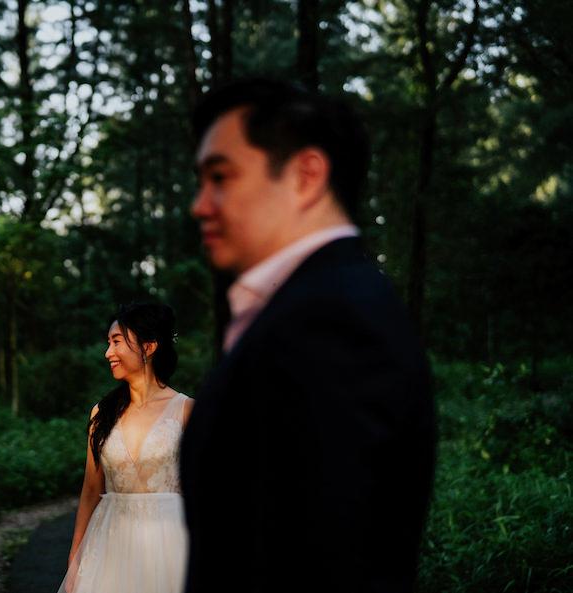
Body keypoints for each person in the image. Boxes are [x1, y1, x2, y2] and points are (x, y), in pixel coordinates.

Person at [179, 76, 437, 593]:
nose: (200, 205)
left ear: (305, 175)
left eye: (220, 177)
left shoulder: (333, 324)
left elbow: (334, 562)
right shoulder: (318, 306)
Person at [57, 301, 193, 593]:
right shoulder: (102, 414)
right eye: (108, 343)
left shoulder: (186, 411)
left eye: (116, 342)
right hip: (109, 542)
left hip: (170, 544)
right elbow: (91, 490)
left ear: (149, 346)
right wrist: (75, 555)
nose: (108, 353)